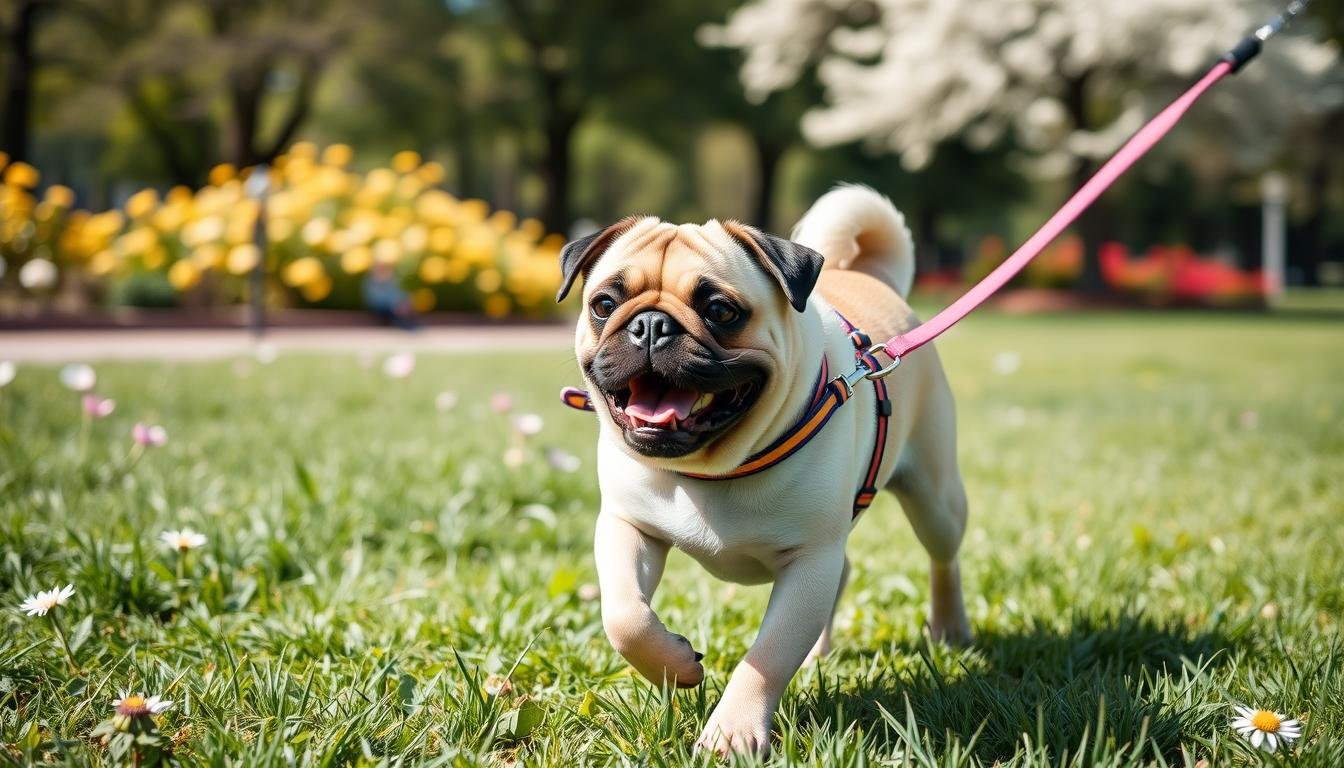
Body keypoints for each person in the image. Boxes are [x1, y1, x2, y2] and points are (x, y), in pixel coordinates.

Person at [362, 261, 419, 330]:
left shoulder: (392, 280)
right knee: (397, 309)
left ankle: (411, 323)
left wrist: (404, 300)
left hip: (394, 305)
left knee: (405, 305)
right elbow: (374, 299)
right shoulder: (371, 282)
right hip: (380, 307)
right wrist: (393, 303)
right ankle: (403, 324)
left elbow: (399, 293)